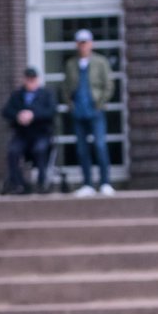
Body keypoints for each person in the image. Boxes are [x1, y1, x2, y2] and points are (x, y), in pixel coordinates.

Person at [61, 29, 115, 197]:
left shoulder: (100, 62)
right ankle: (87, 184)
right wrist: (70, 104)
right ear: (77, 44)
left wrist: (100, 103)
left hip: (95, 110)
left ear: (91, 43)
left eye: (86, 42)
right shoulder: (71, 64)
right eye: (80, 42)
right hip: (79, 112)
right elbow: (66, 87)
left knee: (100, 146)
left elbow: (109, 85)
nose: (83, 45)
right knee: (82, 149)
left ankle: (105, 182)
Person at [0, 66, 57, 195]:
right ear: (24, 80)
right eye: (28, 79)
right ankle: (18, 184)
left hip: (41, 133)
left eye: (33, 79)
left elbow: (51, 111)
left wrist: (33, 115)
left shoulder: (46, 94)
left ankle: (42, 183)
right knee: (12, 151)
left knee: (40, 150)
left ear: (37, 80)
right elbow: (6, 111)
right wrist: (18, 116)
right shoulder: (17, 95)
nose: (30, 82)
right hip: (22, 134)